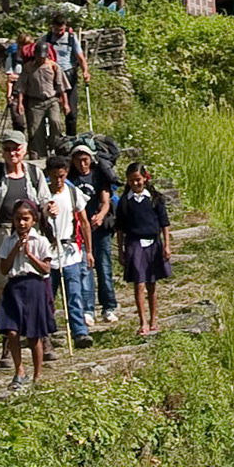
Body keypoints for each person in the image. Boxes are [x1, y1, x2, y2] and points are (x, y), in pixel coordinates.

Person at [0, 130, 40, 369]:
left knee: (34, 282)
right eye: (7, 149)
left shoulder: (34, 173)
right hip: (2, 232)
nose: (12, 153)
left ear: (24, 149)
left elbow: (44, 201)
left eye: (16, 148)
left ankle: (38, 337)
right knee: (4, 286)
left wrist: (52, 208)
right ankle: (9, 340)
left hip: (30, 233)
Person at [0, 199, 56, 390]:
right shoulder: (9, 241)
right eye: (18, 219)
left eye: (26, 219)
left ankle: (38, 374)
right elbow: (4, 269)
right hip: (14, 286)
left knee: (33, 335)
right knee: (12, 331)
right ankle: (19, 370)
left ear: (34, 220)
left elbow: (46, 269)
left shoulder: (41, 241)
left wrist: (29, 255)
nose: (21, 223)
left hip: (34, 286)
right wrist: (15, 250)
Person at [41, 153, 94, 348]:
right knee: (48, 296)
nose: (58, 181)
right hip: (48, 251)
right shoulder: (42, 195)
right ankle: (47, 332)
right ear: (48, 174)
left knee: (74, 293)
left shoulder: (73, 193)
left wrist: (88, 251)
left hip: (70, 251)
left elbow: (84, 222)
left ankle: (79, 332)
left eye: (62, 176)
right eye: (54, 176)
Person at [114, 161, 171, 336]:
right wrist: (121, 250)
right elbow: (120, 228)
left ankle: (154, 320)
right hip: (134, 243)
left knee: (151, 283)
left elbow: (164, 224)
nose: (135, 184)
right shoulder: (125, 202)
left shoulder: (155, 199)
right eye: (131, 181)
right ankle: (143, 322)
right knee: (139, 284)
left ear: (145, 178)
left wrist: (167, 245)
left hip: (153, 243)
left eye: (138, 179)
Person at [68, 141, 120, 324]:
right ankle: (88, 309)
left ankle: (108, 306)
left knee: (104, 268)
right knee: (85, 270)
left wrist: (100, 215)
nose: (82, 164)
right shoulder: (71, 180)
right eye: (78, 160)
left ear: (91, 159)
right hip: (80, 231)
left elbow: (106, 200)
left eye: (85, 160)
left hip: (100, 228)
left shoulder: (98, 177)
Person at [18, 40, 71, 157]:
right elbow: (22, 86)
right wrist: (20, 104)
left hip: (51, 100)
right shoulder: (28, 67)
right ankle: (41, 155)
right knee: (35, 129)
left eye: (42, 57)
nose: (40, 59)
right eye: (38, 57)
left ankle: (55, 146)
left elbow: (61, 86)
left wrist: (66, 104)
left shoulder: (54, 67)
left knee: (56, 122)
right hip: (35, 102)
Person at [43, 15, 91, 137]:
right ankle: (55, 139)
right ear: (52, 26)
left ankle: (71, 138)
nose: (59, 33)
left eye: (62, 30)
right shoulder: (46, 39)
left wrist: (85, 71)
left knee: (71, 112)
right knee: (53, 112)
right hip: (51, 77)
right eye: (57, 30)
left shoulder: (71, 38)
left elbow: (80, 57)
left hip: (69, 75)